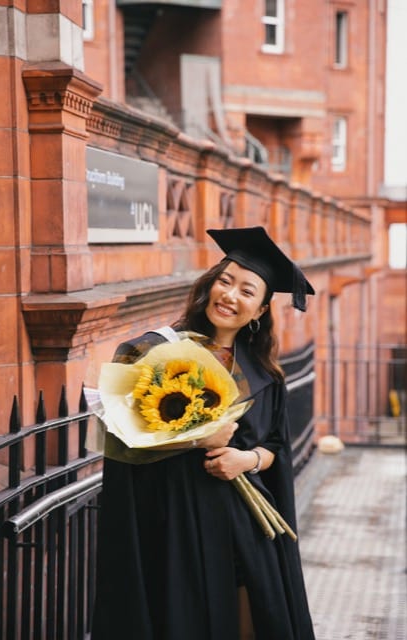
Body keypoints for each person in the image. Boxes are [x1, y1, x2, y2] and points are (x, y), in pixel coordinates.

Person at [91, 226, 316, 640]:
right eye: (225, 281)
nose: (230, 296)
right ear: (209, 285)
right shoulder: (155, 352)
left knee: (256, 619)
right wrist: (196, 439)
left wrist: (245, 459)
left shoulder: (266, 374)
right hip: (175, 521)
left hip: (246, 525)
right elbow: (123, 441)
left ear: (261, 310)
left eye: (247, 291)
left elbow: (277, 449)